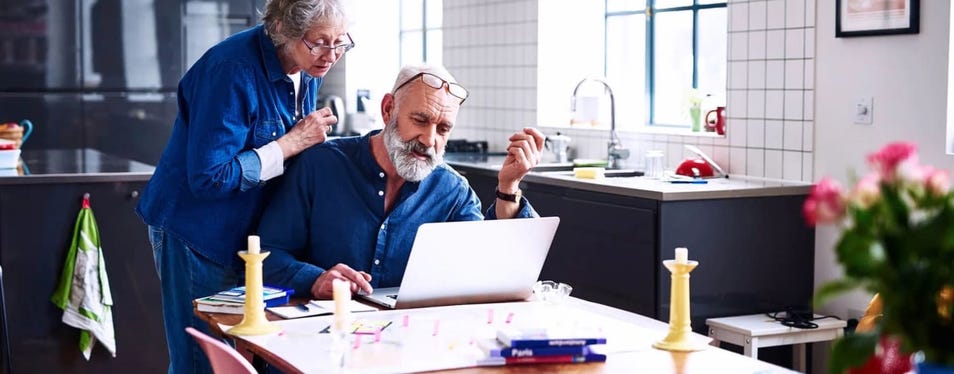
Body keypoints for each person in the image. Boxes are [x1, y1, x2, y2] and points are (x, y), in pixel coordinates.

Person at [135, 1, 353, 372]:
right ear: (283, 30)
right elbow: (210, 176)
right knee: (200, 362)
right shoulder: (231, 70)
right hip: (197, 233)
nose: (331, 55)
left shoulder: (309, 65)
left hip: (247, 234)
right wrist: (290, 143)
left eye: (341, 43)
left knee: (244, 355)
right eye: (319, 42)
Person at [257, 64, 546, 299]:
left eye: (443, 129)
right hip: (324, 335)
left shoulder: (452, 191)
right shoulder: (319, 165)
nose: (429, 140)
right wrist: (315, 279)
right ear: (388, 110)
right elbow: (266, 256)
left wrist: (508, 187)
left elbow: (489, 270)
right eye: (420, 120)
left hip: (413, 338)